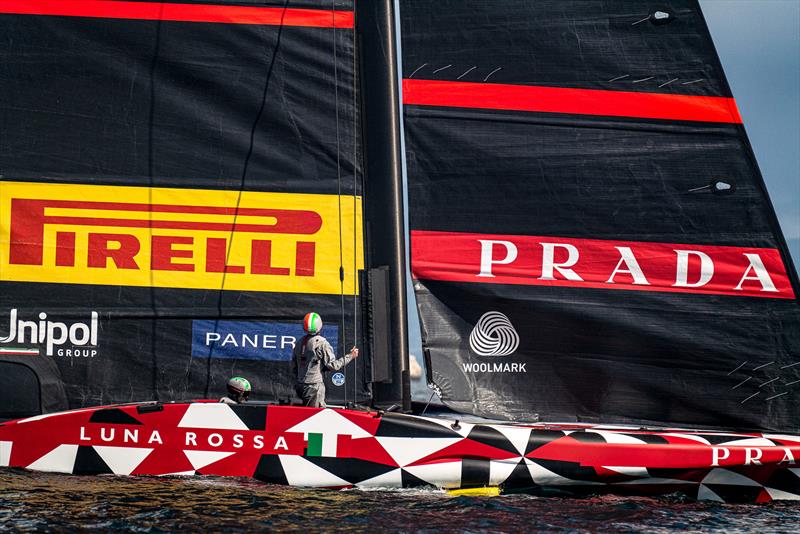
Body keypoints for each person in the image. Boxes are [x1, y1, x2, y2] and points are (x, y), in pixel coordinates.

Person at [292, 312, 358, 408]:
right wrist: (351, 356)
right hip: (314, 388)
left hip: (300, 386)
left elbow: (294, 366)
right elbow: (333, 365)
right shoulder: (322, 343)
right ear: (320, 325)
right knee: (314, 417)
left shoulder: (299, 342)